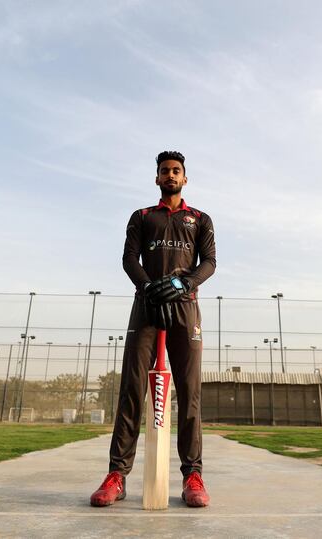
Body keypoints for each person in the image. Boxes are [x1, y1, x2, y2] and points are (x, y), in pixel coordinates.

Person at [90, 150, 216, 508]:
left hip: (185, 308)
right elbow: (130, 258)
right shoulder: (142, 216)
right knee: (131, 390)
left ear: (184, 179)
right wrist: (147, 287)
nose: (170, 175)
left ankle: (193, 476)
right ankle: (117, 476)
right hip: (146, 307)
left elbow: (209, 261)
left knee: (189, 394)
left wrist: (183, 284)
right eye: (164, 171)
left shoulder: (200, 218)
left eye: (176, 171)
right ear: (157, 178)